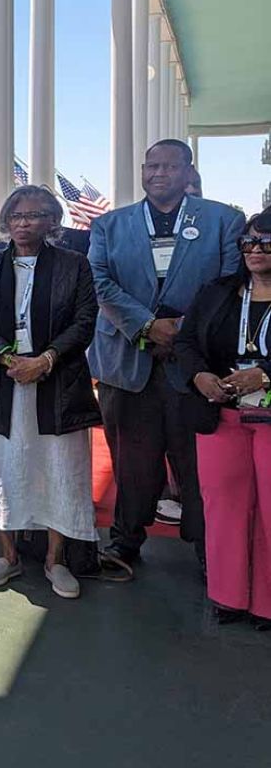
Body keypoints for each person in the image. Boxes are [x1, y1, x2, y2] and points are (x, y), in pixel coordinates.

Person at [88, 138, 243, 574]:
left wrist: (183, 333)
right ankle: (124, 543)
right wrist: (146, 325)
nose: (159, 173)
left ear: (188, 171)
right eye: (151, 166)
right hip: (127, 361)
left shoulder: (223, 221)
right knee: (131, 463)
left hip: (193, 366)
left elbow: (231, 282)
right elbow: (100, 282)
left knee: (197, 466)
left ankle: (209, 552)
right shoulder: (108, 226)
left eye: (169, 166)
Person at [0, 185, 101, 599]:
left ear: (52, 221)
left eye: (35, 215)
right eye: (17, 216)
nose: (24, 224)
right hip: (0, 384)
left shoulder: (73, 266)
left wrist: (46, 360)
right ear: (6, 221)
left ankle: (56, 560)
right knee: (4, 468)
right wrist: (6, 357)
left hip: (56, 384)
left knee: (60, 469)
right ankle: (9, 555)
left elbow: (84, 319)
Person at [175, 208, 271, 627]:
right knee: (224, 509)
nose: (254, 250)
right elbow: (187, 342)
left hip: (267, 416)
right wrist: (199, 375)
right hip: (221, 416)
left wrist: (265, 373)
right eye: (247, 243)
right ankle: (229, 597)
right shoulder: (218, 291)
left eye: (265, 243)